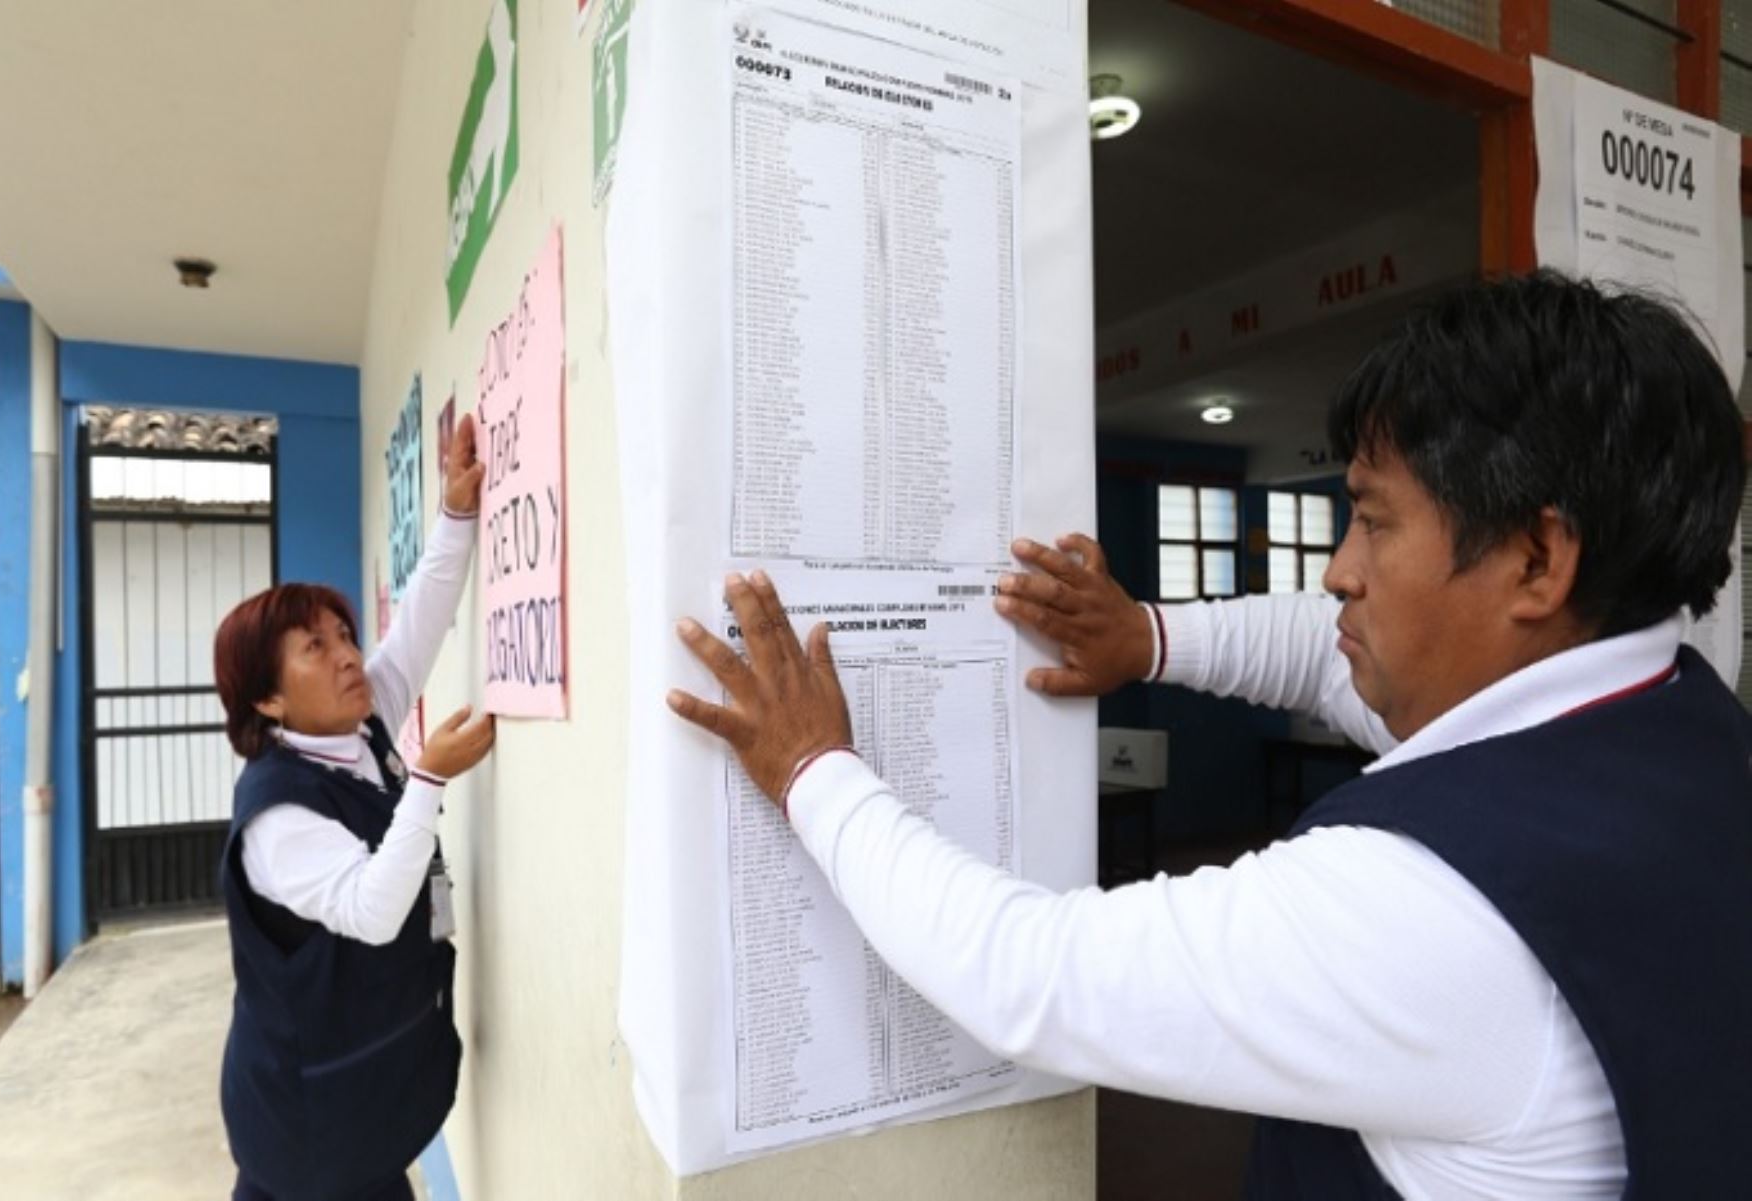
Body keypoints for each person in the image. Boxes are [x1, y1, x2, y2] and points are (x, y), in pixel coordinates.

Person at [668, 272, 1752, 1198]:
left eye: (1372, 518)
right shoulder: (1686, 730)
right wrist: (1146, 637)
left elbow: (1025, 975)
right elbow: (1321, 649)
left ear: (1534, 559)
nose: (1338, 569)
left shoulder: (1431, 906)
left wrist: (816, 771)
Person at [213, 415, 496, 1201]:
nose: (345, 654)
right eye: (315, 647)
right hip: (304, 1128)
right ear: (270, 699)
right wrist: (430, 781)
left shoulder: (358, 725)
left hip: (359, 1107)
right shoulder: (275, 816)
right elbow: (372, 910)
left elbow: (421, 624)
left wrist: (458, 513)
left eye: (343, 633)